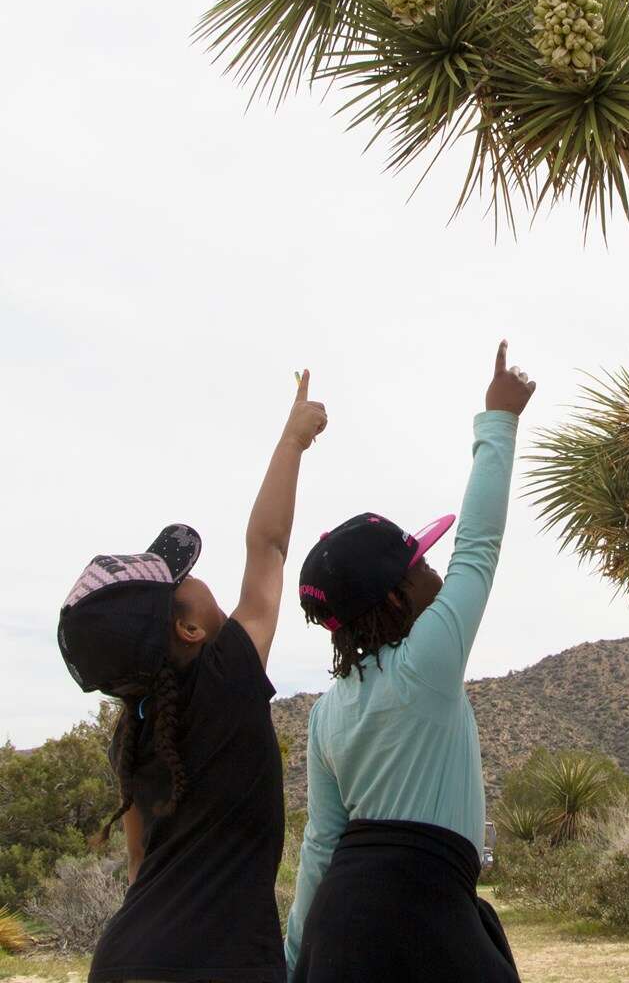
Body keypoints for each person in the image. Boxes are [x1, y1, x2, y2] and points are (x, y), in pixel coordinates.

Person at [57, 371, 328, 983]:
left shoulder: (129, 737)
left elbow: (136, 866)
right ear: (189, 630)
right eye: (182, 581)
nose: (196, 579)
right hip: (225, 963)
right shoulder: (228, 677)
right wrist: (292, 442)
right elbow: (269, 547)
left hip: (125, 957)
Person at [285, 340, 535, 983]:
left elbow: (320, 847)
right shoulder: (426, 663)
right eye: (422, 564)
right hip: (418, 919)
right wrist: (499, 421)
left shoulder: (327, 712)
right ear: (398, 596)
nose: (435, 572)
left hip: (339, 930)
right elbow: (478, 546)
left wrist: (293, 960)